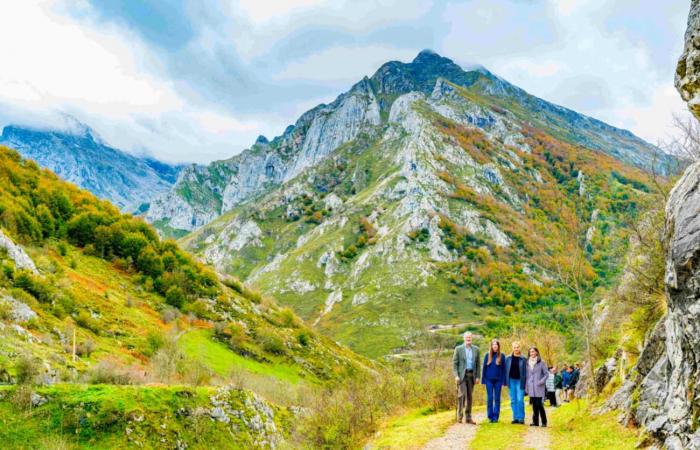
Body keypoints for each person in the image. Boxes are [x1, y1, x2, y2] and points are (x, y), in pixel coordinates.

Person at [452, 331, 481, 424]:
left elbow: (478, 364)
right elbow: (454, 364)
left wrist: (477, 377)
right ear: (464, 338)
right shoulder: (458, 349)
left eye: (470, 337)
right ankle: (460, 416)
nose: (468, 339)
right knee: (462, 395)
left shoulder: (476, 349)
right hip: (461, 376)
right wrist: (456, 376)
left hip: (472, 375)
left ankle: (468, 417)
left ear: (472, 338)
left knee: (470, 397)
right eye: (467, 337)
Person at [481, 339, 507, 423]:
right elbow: (484, 369)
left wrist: (504, 381)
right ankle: (490, 416)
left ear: (498, 346)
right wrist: (483, 380)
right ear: (491, 346)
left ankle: (496, 417)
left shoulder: (502, 356)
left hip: (498, 381)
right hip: (489, 380)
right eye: (493, 344)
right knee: (490, 398)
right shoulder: (487, 355)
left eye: (496, 345)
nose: (495, 346)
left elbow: (504, 370)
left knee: (497, 398)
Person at [525, 347, 548, 427]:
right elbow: (527, 376)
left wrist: (541, 381)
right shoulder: (527, 363)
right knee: (534, 405)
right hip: (531, 387)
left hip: (539, 387)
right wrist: (526, 387)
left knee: (539, 405)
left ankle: (544, 422)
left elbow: (546, 374)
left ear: (537, 352)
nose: (532, 353)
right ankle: (535, 422)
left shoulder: (541, 362)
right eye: (530, 352)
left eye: (533, 352)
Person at [505, 341, 527, 424]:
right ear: (512, 348)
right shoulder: (508, 358)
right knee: (513, 400)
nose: (516, 349)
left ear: (520, 348)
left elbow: (526, 371)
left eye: (517, 347)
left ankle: (521, 418)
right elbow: (505, 370)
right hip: (511, 381)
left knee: (520, 399)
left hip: (520, 381)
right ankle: (515, 418)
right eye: (514, 347)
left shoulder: (524, 359)